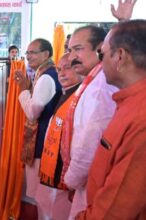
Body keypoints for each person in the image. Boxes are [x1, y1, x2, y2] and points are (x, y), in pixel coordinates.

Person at [61, 1, 136, 218]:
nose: (71, 56)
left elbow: (90, 138)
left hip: (93, 182)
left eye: (78, 49)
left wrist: (71, 180)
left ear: (101, 50)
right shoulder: (92, 80)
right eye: (69, 50)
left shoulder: (102, 82)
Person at [77, 18, 146, 220]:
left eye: (102, 53)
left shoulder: (140, 118)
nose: (100, 60)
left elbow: (114, 211)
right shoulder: (130, 102)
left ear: (120, 56)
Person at [14, 38, 62, 219]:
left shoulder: (47, 77)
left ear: (46, 54)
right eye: (27, 53)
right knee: (45, 197)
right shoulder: (46, 73)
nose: (28, 56)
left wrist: (23, 90)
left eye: (32, 52)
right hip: (47, 140)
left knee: (43, 198)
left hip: (43, 143)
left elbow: (33, 112)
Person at [38, 53, 83, 220]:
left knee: (59, 212)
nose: (62, 73)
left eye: (67, 68)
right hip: (56, 167)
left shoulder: (80, 95)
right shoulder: (66, 93)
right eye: (58, 69)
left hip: (67, 173)